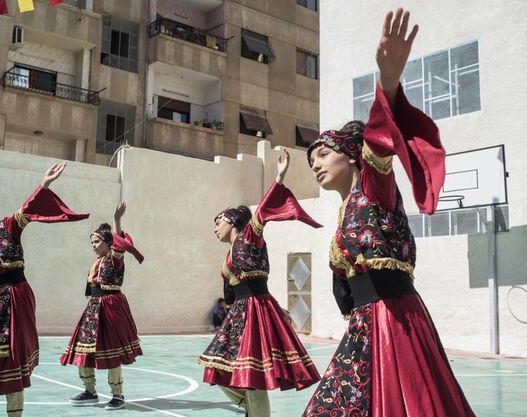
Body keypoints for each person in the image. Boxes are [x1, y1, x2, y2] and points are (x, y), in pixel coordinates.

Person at [303, 9, 476, 417]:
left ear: (351, 155)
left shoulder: (375, 187)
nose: (315, 164)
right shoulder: (346, 211)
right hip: (364, 329)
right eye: (312, 158)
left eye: (323, 154)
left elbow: (380, 141)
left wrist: (387, 81)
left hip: (394, 323)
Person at [0, 162, 89, 417]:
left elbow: (27, 210)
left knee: (12, 358)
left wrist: (44, 184)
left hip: (14, 298)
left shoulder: (6, 228)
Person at [198, 149, 322, 417]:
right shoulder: (227, 257)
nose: (215, 228)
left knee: (252, 377)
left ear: (231, 221)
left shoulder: (249, 237)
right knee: (217, 368)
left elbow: (264, 210)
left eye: (218, 222)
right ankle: (253, 410)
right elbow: (229, 293)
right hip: (239, 315)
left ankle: (256, 412)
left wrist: (279, 176)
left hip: (256, 310)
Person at [60, 202, 144, 411]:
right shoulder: (97, 262)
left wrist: (116, 220)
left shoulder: (114, 259)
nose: (93, 245)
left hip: (110, 306)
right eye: (92, 242)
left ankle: (118, 395)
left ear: (108, 243)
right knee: (83, 350)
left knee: (111, 351)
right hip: (93, 307)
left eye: (97, 241)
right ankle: (90, 392)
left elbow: (120, 244)